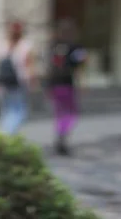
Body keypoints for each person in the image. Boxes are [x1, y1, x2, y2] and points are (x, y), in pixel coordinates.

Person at [47, 18, 87, 156]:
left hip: (54, 83)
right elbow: (79, 67)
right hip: (67, 83)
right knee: (71, 113)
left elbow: (50, 66)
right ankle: (62, 137)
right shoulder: (75, 47)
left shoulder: (53, 45)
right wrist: (82, 83)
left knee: (60, 112)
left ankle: (61, 136)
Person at [0, 21, 37, 135]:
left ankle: (5, 134)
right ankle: (6, 134)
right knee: (20, 111)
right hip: (19, 81)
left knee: (6, 110)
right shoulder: (25, 45)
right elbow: (29, 64)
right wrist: (33, 81)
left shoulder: (2, 45)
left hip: (3, 82)